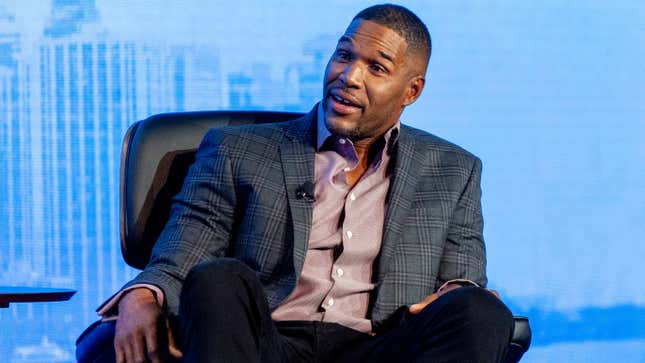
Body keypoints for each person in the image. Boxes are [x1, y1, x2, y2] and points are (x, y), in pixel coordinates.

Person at [78, 4, 514, 363]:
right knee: (218, 277)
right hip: (264, 342)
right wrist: (143, 293)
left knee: (482, 310)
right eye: (344, 56)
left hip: (380, 347)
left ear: (411, 91)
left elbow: (463, 278)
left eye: (376, 68)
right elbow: (183, 253)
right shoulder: (238, 150)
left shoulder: (453, 169)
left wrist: (461, 290)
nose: (349, 77)